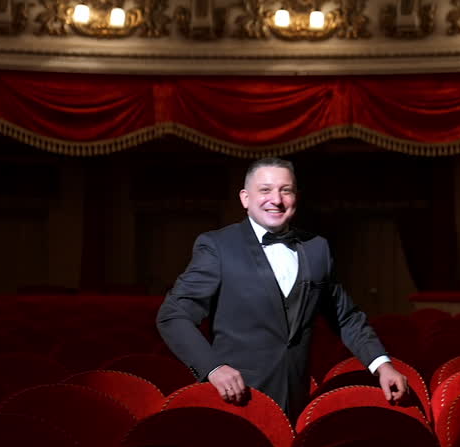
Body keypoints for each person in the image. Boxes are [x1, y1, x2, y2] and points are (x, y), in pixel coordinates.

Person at [156, 156, 408, 419]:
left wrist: (382, 365)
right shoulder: (217, 246)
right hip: (235, 400)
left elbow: (346, 317)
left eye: (285, 190)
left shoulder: (317, 248)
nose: (276, 199)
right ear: (245, 198)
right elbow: (173, 316)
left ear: (296, 196)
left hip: (296, 398)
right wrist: (213, 368)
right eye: (265, 190)